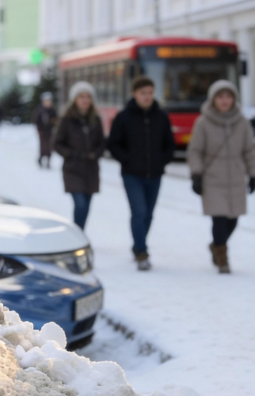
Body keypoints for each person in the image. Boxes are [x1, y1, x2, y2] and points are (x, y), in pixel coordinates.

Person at [107, 76, 175, 271]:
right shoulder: (124, 117)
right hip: (132, 174)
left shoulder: (161, 116)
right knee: (139, 211)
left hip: (155, 173)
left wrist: (163, 159)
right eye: (143, 93)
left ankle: (138, 244)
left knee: (149, 214)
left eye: (150, 93)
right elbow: (113, 143)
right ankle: (142, 251)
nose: (147, 97)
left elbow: (169, 143)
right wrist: (126, 159)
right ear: (134, 94)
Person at [187, 80, 255, 274]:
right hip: (212, 178)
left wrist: (253, 174)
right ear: (213, 99)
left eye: (228, 96)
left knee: (233, 220)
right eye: (220, 97)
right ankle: (223, 258)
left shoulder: (241, 122)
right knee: (218, 219)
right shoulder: (203, 122)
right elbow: (195, 151)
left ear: (234, 99)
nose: (225, 101)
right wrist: (196, 174)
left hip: (235, 178)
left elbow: (249, 150)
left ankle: (216, 245)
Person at [53, 82, 106, 230]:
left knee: (87, 205)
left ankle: (79, 233)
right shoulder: (67, 119)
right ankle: (78, 234)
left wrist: (95, 154)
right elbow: (57, 143)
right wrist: (71, 154)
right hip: (73, 170)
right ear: (74, 99)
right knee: (80, 204)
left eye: (88, 96)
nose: (85, 100)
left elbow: (102, 143)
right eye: (81, 96)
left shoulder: (96, 119)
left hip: (91, 170)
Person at [32, 92, 58, 168]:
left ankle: (48, 160)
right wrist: (39, 128)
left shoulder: (52, 110)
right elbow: (35, 119)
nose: (47, 102)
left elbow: (56, 120)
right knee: (43, 146)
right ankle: (41, 158)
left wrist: (53, 122)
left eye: (49, 101)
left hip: (50, 131)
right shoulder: (39, 110)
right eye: (46, 101)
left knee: (50, 146)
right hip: (42, 131)